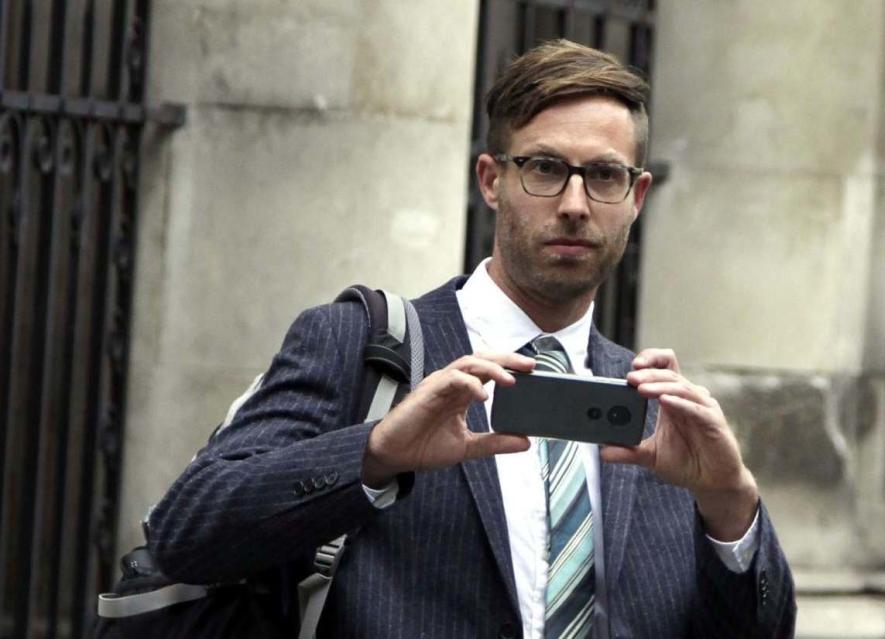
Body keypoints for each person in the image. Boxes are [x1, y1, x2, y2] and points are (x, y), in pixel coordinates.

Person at [148, 39, 796, 638]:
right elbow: (186, 530)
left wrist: (730, 506)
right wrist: (372, 455)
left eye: (604, 176)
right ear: (491, 180)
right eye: (544, 168)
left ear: (637, 195)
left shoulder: (655, 412)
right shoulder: (361, 346)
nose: (574, 203)